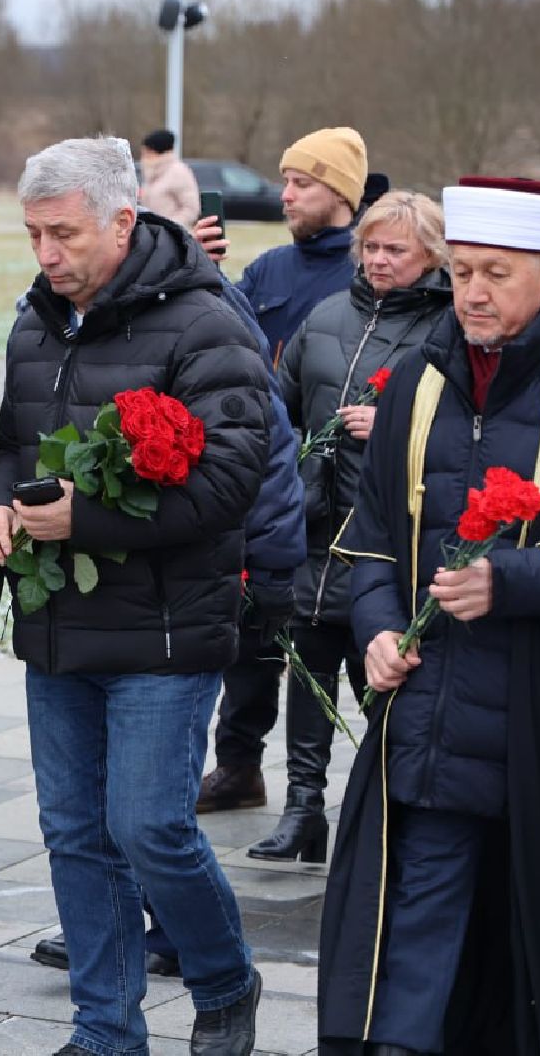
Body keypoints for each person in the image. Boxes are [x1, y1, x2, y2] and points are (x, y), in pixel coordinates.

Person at [319, 177, 540, 1054]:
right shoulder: (418, 379)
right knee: (416, 923)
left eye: (495, 274)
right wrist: (378, 628)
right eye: (461, 270)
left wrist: (517, 581)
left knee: (539, 945)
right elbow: (375, 534)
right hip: (433, 717)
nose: (470, 291)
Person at [0, 136, 269, 1056]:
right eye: (32, 236)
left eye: (62, 235)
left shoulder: (204, 323)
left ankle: (224, 981)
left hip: (166, 631)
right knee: (72, 835)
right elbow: (11, 450)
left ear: (123, 221)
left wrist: (84, 520)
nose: (46, 256)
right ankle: (106, 1032)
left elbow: (230, 482)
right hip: (58, 625)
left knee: (147, 828)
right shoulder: (33, 322)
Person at [248, 191, 452, 865]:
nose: (377, 260)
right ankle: (303, 810)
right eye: (369, 247)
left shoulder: (446, 328)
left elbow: (455, 435)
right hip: (311, 529)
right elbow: (280, 409)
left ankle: (391, 817)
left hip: (383, 543)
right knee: (306, 675)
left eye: (394, 249)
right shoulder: (327, 313)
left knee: (382, 695)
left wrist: (389, 425)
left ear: (429, 254)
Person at [195, 125, 368, 814]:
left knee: (326, 641)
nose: (286, 195)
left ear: (341, 194)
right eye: (286, 181)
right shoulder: (266, 271)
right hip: (262, 481)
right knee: (250, 640)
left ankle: (337, 790)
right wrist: (200, 268)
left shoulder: (366, 273)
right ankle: (238, 766)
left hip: (339, 496)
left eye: (302, 183)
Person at [137, 128, 199, 226]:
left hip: (172, 235)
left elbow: (191, 209)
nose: (144, 155)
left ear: (157, 151)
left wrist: (168, 226)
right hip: (152, 233)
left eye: (147, 151)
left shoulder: (179, 172)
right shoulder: (151, 173)